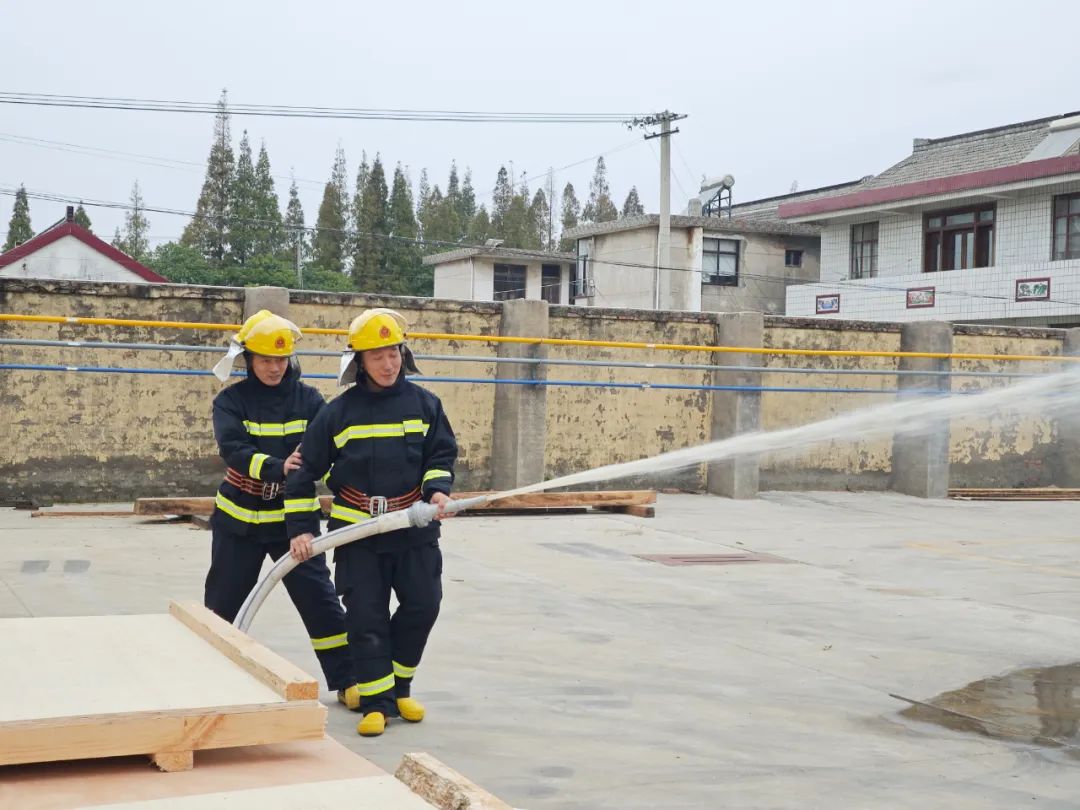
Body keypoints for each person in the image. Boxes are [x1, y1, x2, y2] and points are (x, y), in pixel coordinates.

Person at [285, 308, 457, 737]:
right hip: (357, 532)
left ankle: (399, 689)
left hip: (412, 528)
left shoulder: (426, 405)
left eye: (393, 353)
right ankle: (377, 704)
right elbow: (303, 472)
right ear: (359, 361)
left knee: (424, 605)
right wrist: (301, 528)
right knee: (366, 616)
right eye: (377, 356)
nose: (388, 363)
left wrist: (437, 490)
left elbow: (440, 455)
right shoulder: (338, 413)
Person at [204, 309, 352, 699]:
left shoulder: (309, 400)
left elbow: (322, 452)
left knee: (320, 600)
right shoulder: (231, 402)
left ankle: (348, 680)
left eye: (282, 359)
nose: (275, 368)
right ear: (248, 359)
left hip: (293, 520)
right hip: (239, 521)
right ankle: (208, 677)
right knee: (223, 605)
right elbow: (234, 450)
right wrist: (277, 467)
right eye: (266, 359)